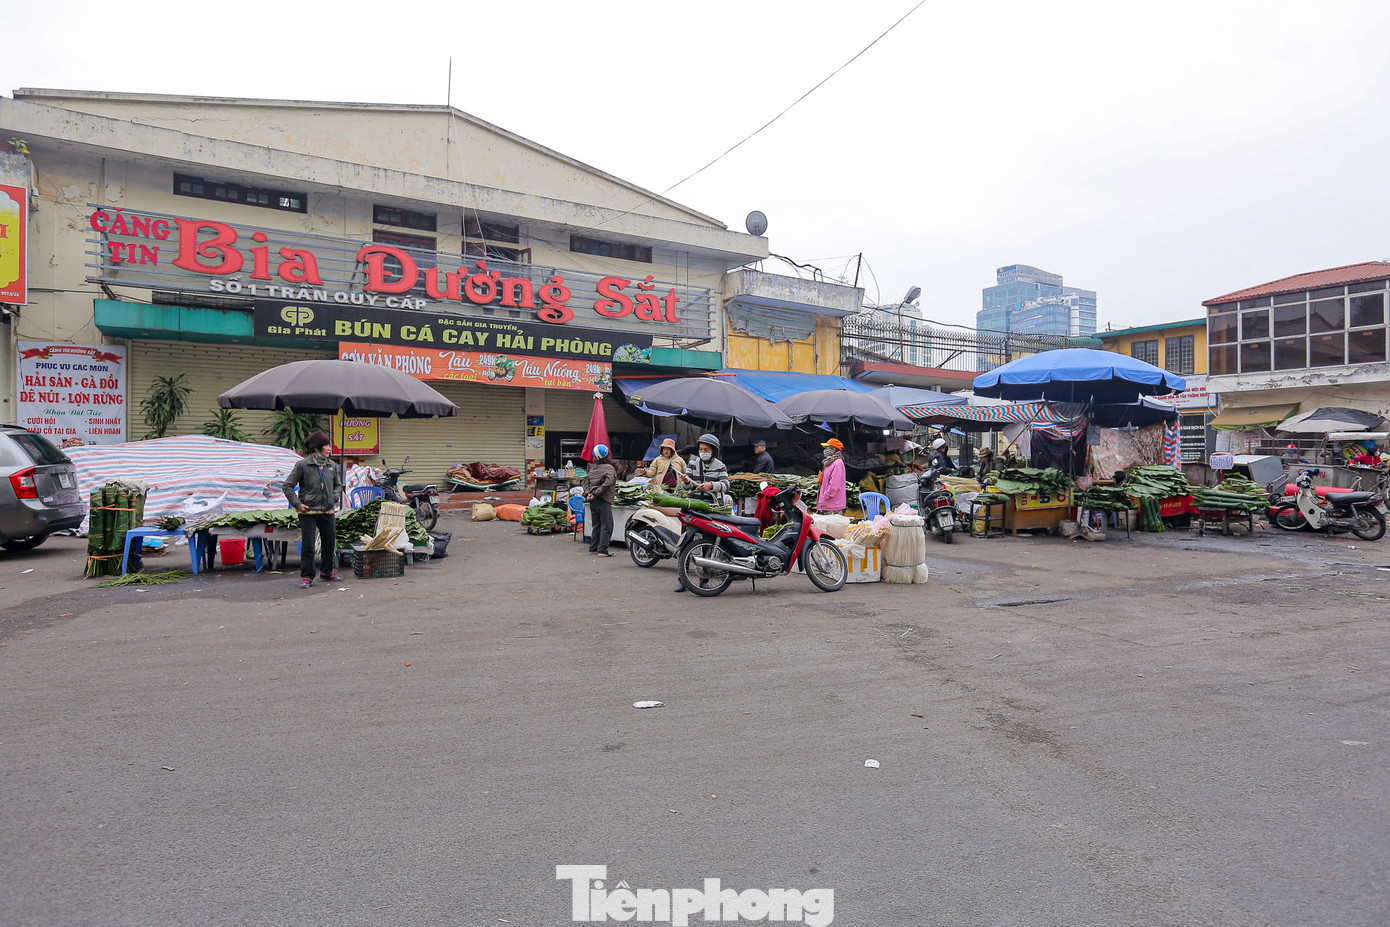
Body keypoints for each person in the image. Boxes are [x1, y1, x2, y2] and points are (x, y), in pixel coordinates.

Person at [283, 431, 343, 588]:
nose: (329, 448)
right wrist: (297, 504)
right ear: (316, 448)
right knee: (308, 545)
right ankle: (307, 576)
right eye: (326, 446)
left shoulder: (331, 465)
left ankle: (326, 573)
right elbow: (287, 486)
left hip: (328, 511)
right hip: (308, 511)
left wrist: (334, 497)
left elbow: (338, 485)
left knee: (329, 544)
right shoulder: (303, 465)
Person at [674, 433, 730, 593]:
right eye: (701, 449)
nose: (703, 451)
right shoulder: (693, 463)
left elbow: (726, 485)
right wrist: (686, 482)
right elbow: (686, 487)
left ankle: (705, 579)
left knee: (708, 545)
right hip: (691, 509)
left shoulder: (720, 466)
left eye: (706, 449)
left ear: (713, 450)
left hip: (709, 509)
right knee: (685, 543)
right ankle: (682, 580)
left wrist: (711, 485)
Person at [584, 443, 617, 557]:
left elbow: (586, 483)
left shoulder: (593, 469)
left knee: (596, 525)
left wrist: (588, 494)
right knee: (607, 525)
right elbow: (608, 483)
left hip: (593, 501)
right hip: (604, 500)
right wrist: (596, 494)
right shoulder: (609, 468)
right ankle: (602, 550)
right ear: (607, 455)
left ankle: (593, 548)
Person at [817, 438, 847, 514]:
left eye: (827, 448)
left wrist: (826, 495)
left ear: (833, 450)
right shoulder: (830, 462)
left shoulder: (837, 463)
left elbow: (834, 484)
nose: (825, 451)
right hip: (828, 504)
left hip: (833, 505)